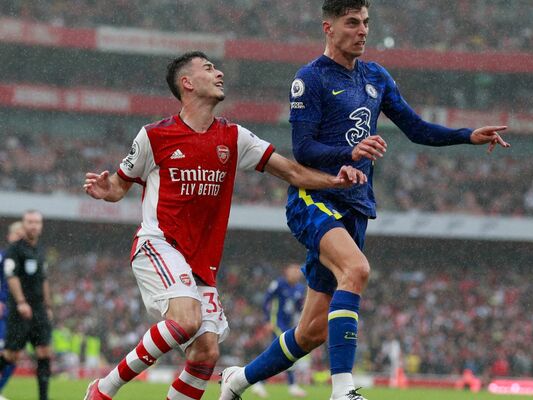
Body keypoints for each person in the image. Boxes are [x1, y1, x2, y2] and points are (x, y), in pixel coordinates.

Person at [219, 1, 510, 399]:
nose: (362, 31)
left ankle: (237, 380)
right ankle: (344, 391)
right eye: (352, 22)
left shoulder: (376, 76)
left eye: (366, 23)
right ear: (329, 27)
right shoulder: (311, 79)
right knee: (356, 269)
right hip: (314, 196)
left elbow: (416, 128)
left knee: (311, 332)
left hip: (355, 204)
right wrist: (349, 153)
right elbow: (302, 149)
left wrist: (467, 135)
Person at [82, 50, 366, 400]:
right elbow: (118, 188)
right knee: (186, 320)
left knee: (206, 354)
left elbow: (290, 171)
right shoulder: (153, 136)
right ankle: (103, 390)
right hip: (159, 243)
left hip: (201, 262)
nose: (218, 73)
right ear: (187, 83)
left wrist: (334, 181)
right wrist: (104, 189)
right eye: (208, 68)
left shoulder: (234, 137)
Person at [0, 211, 52, 400]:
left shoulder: (40, 250)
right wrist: (21, 302)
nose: (34, 226)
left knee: (44, 352)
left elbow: (44, 279)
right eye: (30, 222)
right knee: (11, 355)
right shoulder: (14, 249)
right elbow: (11, 276)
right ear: (24, 224)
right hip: (20, 310)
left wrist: (48, 306)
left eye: (37, 222)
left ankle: (43, 397)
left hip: (39, 309)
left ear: (41, 225)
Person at [250, 263, 308, 398]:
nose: (295, 273)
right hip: (276, 323)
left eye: (297, 271)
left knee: (276, 355)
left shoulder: (300, 288)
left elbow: (300, 307)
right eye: (292, 270)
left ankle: (260, 382)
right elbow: (266, 300)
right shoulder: (278, 284)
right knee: (288, 351)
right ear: (286, 271)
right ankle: (292, 385)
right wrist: (266, 320)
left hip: (288, 325)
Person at [0, 221, 23, 400]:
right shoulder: (3, 257)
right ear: (10, 237)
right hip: (3, 314)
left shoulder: (25, 259)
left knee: (13, 356)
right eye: (17, 235)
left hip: (15, 315)